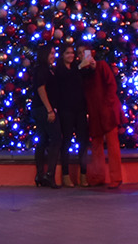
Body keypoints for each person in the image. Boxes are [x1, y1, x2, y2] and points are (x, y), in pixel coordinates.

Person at [80, 43, 124, 189]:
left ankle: (116, 178)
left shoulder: (102, 65)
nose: (81, 56)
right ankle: (98, 176)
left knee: (112, 144)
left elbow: (112, 86)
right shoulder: (82, 73)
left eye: (84, 53)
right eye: (79, 54)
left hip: (107, 110)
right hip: (94, 112)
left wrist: (107, 105)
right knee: (96, 144)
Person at [51, 44, 88, 187]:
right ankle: (66, 175)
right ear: (62, 55)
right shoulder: (59, 70)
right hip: (66, 110)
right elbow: (66, 79)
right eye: (68, 53)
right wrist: (79, 68)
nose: (71, 55)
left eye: (72, 53)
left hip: (80, 110)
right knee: (66, 141)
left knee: (83, 142)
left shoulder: (76, 68)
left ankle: (83, 174)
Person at [29, 44, 62, 187]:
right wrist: (49, 110)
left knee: (42, 139)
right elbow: (41, 89)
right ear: (44, 54)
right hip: (43, 109)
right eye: (51, 53)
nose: (53, 55)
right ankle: (49, 174)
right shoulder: (42, 70)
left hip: (39, 108)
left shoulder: (45, 69)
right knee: (56, 138)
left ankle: (40, 175)